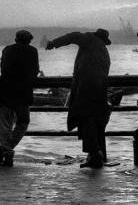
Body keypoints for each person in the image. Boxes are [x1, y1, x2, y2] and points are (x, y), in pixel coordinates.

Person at [46, 29, 111, 168]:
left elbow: (74, 36)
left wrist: (54, 43)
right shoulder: (104, 51)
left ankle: (94, 154)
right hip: (99, 88)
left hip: (87, 86)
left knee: (86, 118)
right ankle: (95, 154)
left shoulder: (90, 39)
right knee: (93, 119)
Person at [0, 30, 40, 166]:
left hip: (6, 90)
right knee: (23, 122)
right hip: (23, 92)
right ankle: (6, 150)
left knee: (5, 124)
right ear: (29, 41)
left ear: (16, 39)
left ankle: (6, 150)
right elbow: (35, 71)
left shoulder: (7, 50)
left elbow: (2, 69)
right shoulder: (33, 51)